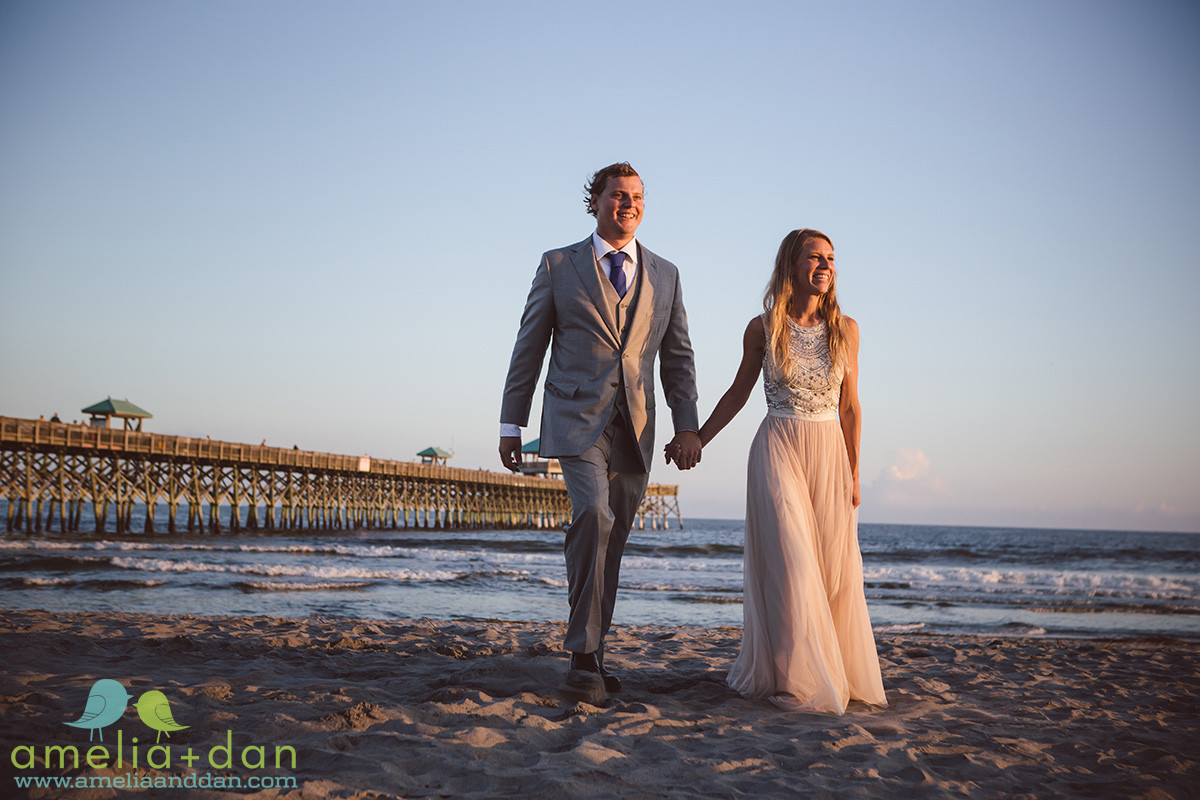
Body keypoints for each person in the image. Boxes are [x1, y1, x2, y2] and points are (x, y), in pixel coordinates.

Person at [499, 162, 701, 704]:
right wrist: (510, 422)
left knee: (614, 539)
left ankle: (595, 649)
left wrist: (689, 428)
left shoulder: (666, 273)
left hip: (635, 427)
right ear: (596, 201)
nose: (628, 204)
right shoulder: (559, 264)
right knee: (593, 516)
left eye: (636, 197)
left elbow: (677, 361)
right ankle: (582, 655)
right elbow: (529, 346)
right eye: (617, 196)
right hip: (574, 419)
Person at [679, 228, 886, 714]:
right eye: (815, 257)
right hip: (778, 448)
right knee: (792, 565)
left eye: (831, 259)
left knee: (833, 574)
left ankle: (834, 669)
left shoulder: (847, 330)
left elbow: (851, 409)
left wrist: (854, 474)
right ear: (791, 265)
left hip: (830, 455)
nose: (825, 266)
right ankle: (794, 679)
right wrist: (698, 438)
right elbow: (737, 393)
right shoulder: (762, 327)